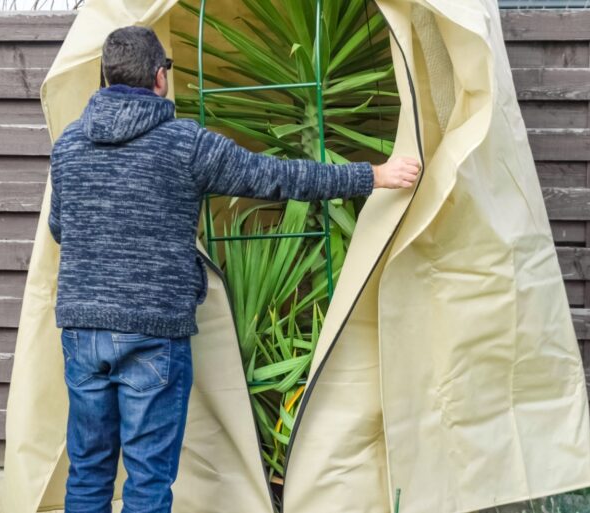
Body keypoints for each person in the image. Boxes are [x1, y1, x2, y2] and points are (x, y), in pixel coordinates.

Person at [47, 25, 420, 513]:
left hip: (82, 331)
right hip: (153, 333)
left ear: (104, 78)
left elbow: (61, 228)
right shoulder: (186, 143)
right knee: (147, 482)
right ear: (160, 78)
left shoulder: (70, 143)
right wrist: (372, 174)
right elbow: (277, 178)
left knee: (89, 474)